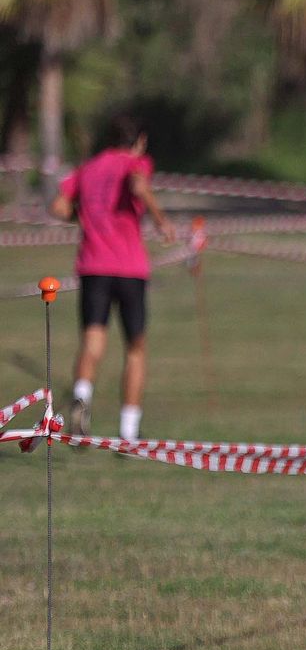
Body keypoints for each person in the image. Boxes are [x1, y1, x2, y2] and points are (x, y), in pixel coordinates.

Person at [49, 113, 175, 441]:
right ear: (139, 141)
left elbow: (59, 207)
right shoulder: (136, 162)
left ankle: (82, 397)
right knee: (135, 348)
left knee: (93, 342)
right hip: (130, 267)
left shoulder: (88, 167)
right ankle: (129, 430)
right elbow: (138, 185)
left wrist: (85, 215)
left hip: (93, 265)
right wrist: (161, 219)